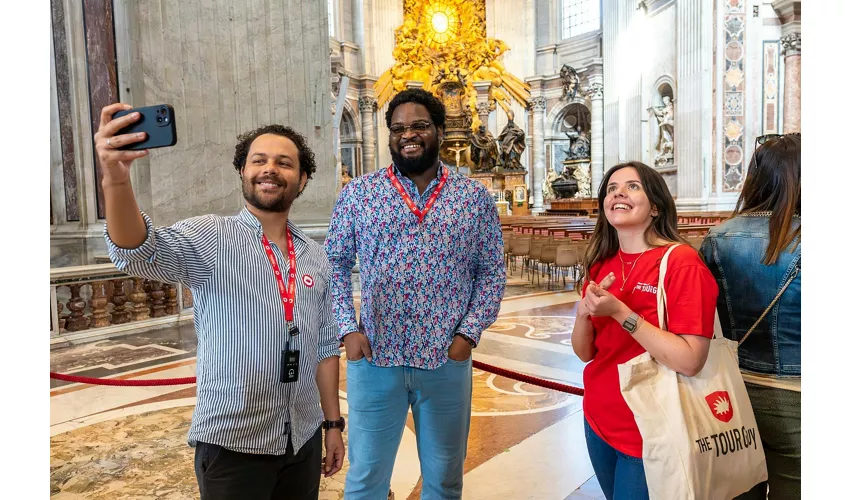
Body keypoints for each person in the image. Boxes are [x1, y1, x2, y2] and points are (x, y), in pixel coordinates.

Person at [97, 103, 345, 500]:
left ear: (302, 180)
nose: (270, 169)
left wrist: (332, 425)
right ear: (243, 172)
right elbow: (137, 250)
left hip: (302, 437)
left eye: (284, 163)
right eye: (258, 160)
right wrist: (115, 178)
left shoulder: (315, 256)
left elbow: (326, 347)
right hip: (233, 442)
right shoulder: (212, 237)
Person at [324, 88, 506, 499]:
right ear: (389, 136)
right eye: (399, 128)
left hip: (444, 361)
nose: (408, 134)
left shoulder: (472, 198)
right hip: (375, 361)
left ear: (439, 131)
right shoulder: (359, 194)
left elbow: (492, 272)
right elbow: (333, 263)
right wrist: (347, 331)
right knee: (365, 480)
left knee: (444, 480)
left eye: (420, 125)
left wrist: (467, 336)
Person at [571, 161, 719, 500]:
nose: (618, 192)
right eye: (611, 188)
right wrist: (584, 314)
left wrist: (621, 312)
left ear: (655, 206)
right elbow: (585, 353)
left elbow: (690, 360)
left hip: (653, 426)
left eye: (632, 186)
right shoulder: (601, 262)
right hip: (599, 418)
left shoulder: (681, 262)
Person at [700, 133, 801, 500]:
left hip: (732, 390)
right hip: (798, 392)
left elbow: (702, 320)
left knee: (738, 489)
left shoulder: (717, 237)